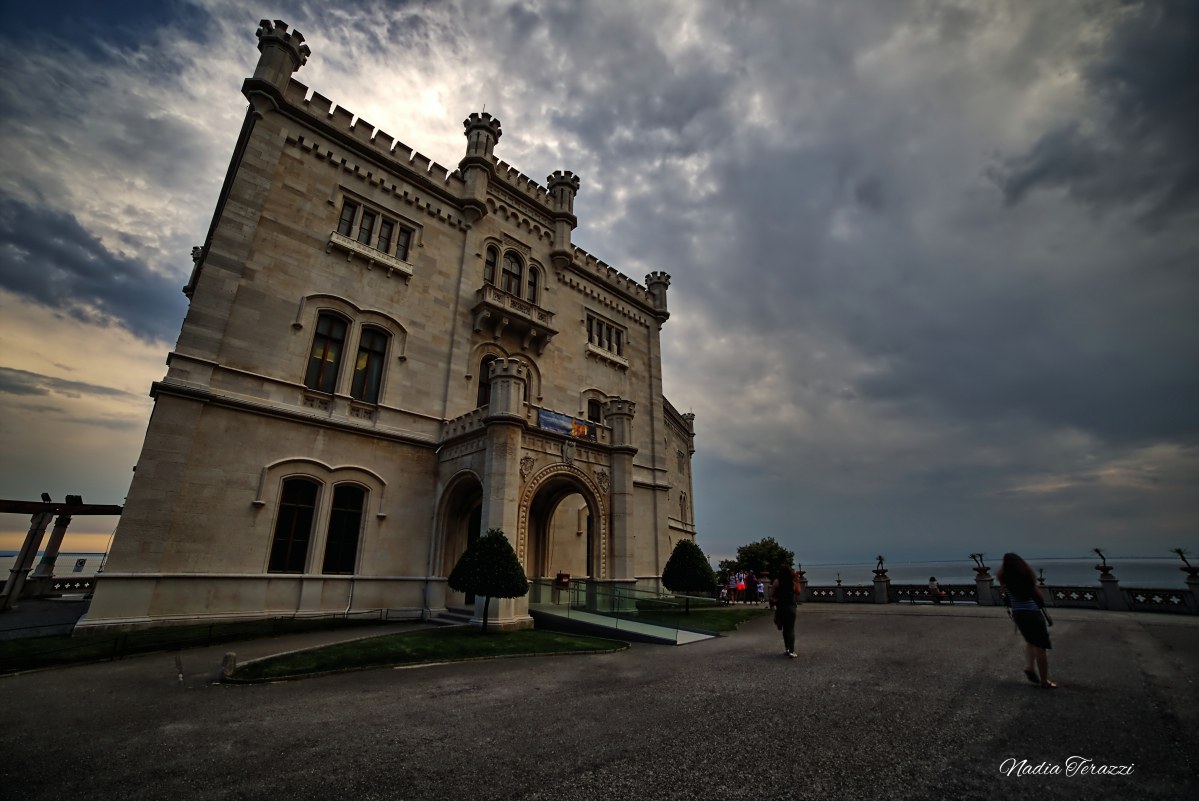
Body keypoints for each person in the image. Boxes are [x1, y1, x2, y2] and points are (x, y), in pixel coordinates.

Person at [997, 552, 1056, 689]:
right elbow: (1039, 597)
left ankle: (1030, 667)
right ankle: (1044, 680)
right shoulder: (1026, 578)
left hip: (1018, 614)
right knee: (1041, 647)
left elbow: (1004, 594)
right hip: (1033, 614)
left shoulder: (1004, 580)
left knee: (1030, 641)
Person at [770, 564, 800, 658]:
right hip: (791, 607)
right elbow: (798, 592)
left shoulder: (776, 581)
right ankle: (791, 651)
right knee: (790, 629)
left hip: (781, 607)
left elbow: (771, 594)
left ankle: (787, 648)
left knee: (785, 629)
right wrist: (797, 580)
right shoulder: (793, 582)